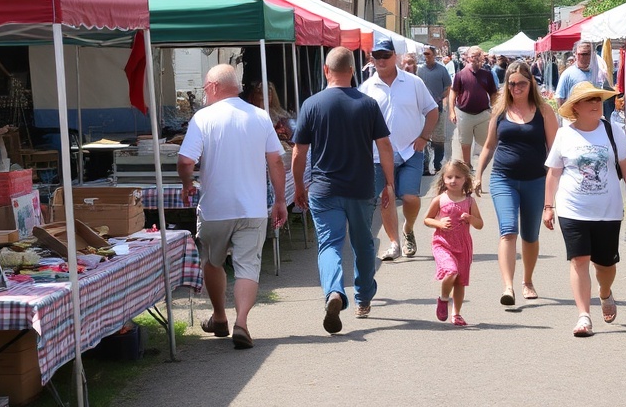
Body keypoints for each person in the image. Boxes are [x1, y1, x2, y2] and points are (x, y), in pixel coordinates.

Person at [178, 64, 287, 350]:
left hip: (215, 208)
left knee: (213, 262)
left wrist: (187, 183)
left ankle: (219, 317)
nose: (204, 93)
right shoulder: (260, 116)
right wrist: (279, 200)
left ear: (214, 87)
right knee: (248, 267)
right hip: (252, 208)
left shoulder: (203, 118)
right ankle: (241, 322)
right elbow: (276, 161)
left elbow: (186, 161)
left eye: (205, 88)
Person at [292, 47, 395, 333]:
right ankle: (363, 297)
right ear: (352, 71)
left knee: (329, 244)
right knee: (363, 244)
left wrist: (299, 185)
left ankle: (334, 292)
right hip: (361, 187)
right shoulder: (368, 104)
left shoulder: (311, 104)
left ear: (326, 70)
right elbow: (384, 146)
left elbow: (299, 152)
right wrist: (389, 183)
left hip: (323, 189)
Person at [543, 81, 626, 338]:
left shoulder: (613, 131)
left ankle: (605, 292)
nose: (597, 104)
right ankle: (584, 316)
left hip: (608, 210)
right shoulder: (564, 135)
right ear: (575, 107)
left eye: (598, 99)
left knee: (605, 264)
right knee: (579, 260)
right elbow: (554, 173)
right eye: (590, 99)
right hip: (572, 209)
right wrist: (548, 206)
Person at [474, 60, 558, 306]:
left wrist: (555, 189)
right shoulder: (500, 111)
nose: (516, 88)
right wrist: (478, 175)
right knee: (508, 230)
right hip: (503, 178)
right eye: (511, 84)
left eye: (521, 83)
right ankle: (508, 287)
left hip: (536, 180)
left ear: (531, 83)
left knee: (530, 236)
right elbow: (489, 145)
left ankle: (527, 281)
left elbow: (554, 151)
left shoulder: (544, 111)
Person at [360, 36, 438, 260]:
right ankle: (394, 243)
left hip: (410, 151)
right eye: (377, 56)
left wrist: (424, 137)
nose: (381, 60)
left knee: (410, 197)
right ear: (371, 59)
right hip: (378, 155)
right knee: (387, 197)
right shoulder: (366, 88)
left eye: (385, 55)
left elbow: (432, 111)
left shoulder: (413, 82)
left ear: (395, 56)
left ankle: (408, 229)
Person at [423, 159, 483, 326]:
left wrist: (470, 218)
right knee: (451, 271)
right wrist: (439, 223)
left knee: (460, 281)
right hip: (443, 243)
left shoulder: (469, 201)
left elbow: (480, 224)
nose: (453, 180)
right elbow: (427, 219)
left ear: (465, 179)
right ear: (443, 179)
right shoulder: (440, 199)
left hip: (463, 245)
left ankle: (456, 313)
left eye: (457, 177)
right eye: (449, 177)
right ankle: (443, 299)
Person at [449, 46, 497, 169]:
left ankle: (481, 167)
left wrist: (495, 111)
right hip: (464, 114)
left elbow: (493, 94)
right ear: (467, 57)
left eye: (478, 56)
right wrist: (452, 111)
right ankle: (467, 167)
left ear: (482, 58)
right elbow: (453, 93)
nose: (475, 59)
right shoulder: (460, 75)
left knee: (485, 143)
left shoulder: (487, 75)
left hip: (483, 114)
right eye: (472, 56)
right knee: (465, 143)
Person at [418, 46, 452, 176]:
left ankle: (438, 165)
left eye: (428, 54)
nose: (426, 56)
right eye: (424, 54)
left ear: (434, 55)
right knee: (424, 137)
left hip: (438, 108)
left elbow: (448, 87)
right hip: (422, 110)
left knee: (438, 139)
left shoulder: (442, 70)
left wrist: (439, 98)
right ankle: (425, 166)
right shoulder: (420, 70)